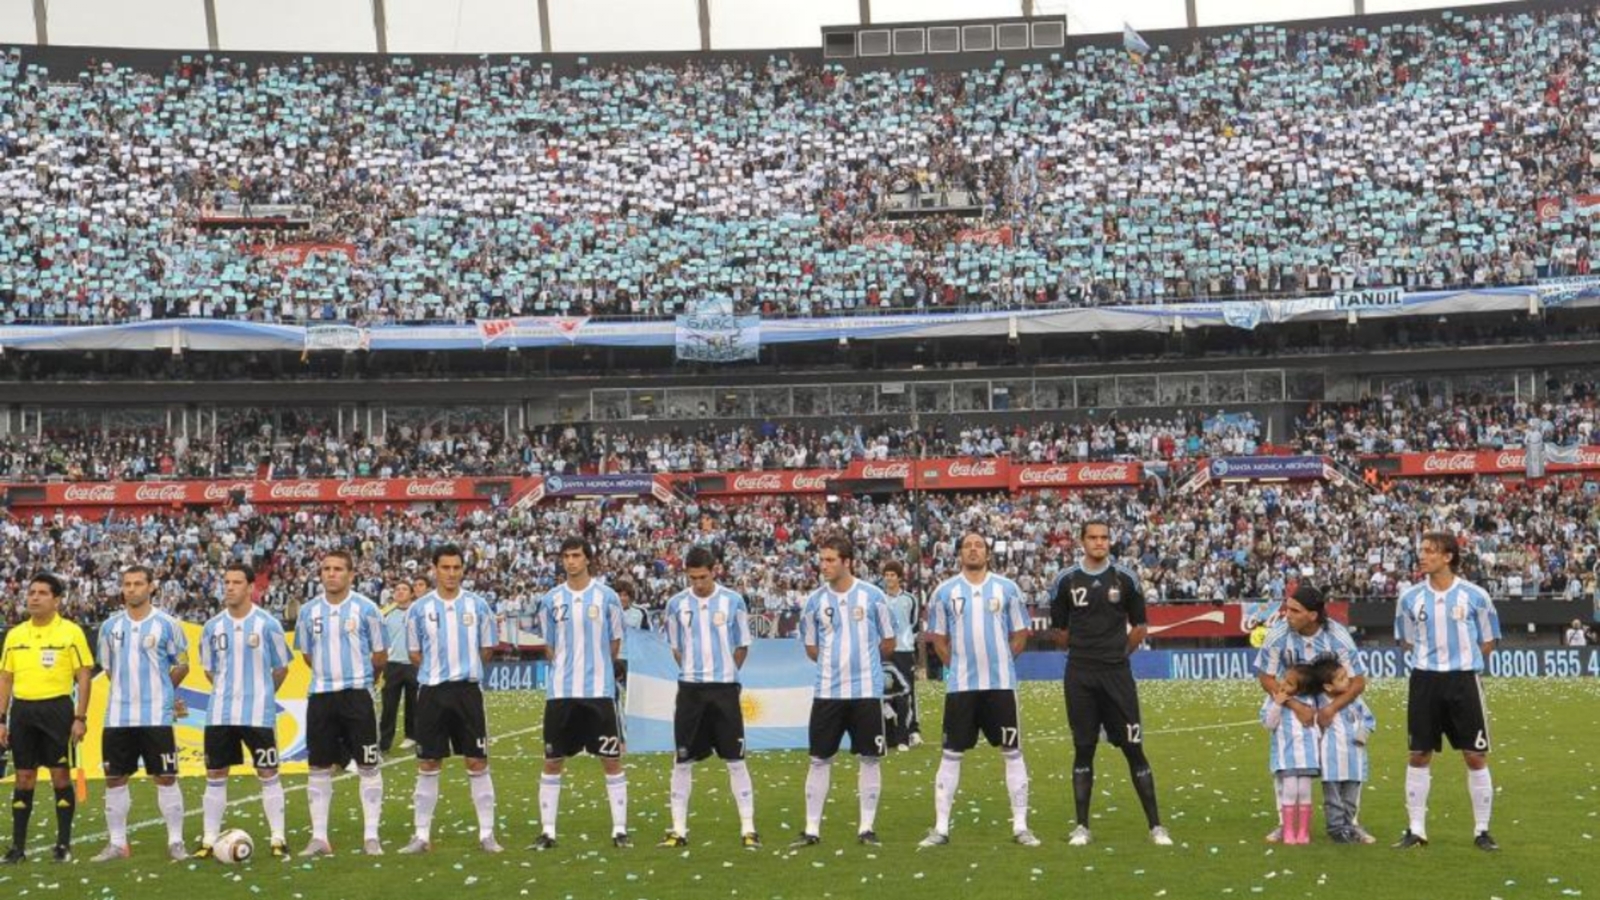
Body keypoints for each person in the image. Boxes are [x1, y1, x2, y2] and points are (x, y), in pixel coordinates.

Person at [1049, 520, 1172, 847]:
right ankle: (1082, 827)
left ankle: (1156, 826)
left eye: (1104, 538)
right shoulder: (1065, 581)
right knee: (1083, 749)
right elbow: (1059, 632)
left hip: (1117, 675)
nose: (1099, 543)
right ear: (1082, 541)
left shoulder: (1126, 578)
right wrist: (1085, 650)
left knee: (1134, 749)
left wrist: (1119, 653)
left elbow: (1140, 626)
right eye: (1093, 537)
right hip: (1080, 675)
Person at [918, 532, 1038, 848]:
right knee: (950, 754)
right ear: (959, 553)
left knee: (1012, 752)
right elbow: (938, 640)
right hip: (961, 688)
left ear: (987, 553)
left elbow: (1020, 634)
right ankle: (941, 828)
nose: (973, 550)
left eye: (979, 546)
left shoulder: (1007, 589)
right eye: (967, 546)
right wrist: (956, 666)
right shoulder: (944, 592)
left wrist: (1001, 661)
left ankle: (1021, 826)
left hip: (1000, 686)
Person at [1394, 531, 1501, 851]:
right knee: (1419, 753)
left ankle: (1482, 830)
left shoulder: (1476, 595)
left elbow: (1489, 640)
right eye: (1421, 550)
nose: (1422, 555)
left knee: (1474, 755)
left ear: (1448, 556)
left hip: (1464, 681)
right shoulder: (1409, 598)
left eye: (1430, 551)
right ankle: (1416, 830)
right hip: (1425, 680)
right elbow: (1406, 640)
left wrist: (1461, 662)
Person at [791, 535, 895, 849]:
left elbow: (888, 642)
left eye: (830, 560)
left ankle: (866, 828)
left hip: (866, 692)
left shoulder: (874, 597)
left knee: (869, 759)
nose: (824, 565)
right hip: (828, 693)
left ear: (847, 562)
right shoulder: (814, 601)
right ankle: (811, 829)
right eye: (822, 560)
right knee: (819, 759)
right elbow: (811, 646)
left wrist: (862, 664)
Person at [399, 545, 501, 854]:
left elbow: (487, 649)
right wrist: (437, 670)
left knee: (476, 760)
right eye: (446, 567)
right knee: (429, 762)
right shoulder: (419, 609)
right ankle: (421, 835)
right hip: (431, 692)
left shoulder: (478, 606)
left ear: (463, 570)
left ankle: (486, 834)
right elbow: (415, 653)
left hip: (467, 692)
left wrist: (463, 669)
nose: (452, 573)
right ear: (434, 569)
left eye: (457, 567)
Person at [657, 546, 759, 849]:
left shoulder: (733, 601)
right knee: (682, 759)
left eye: (702, 577)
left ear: (714, 571)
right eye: (692, 578)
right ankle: (678, 830)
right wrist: (694, 673)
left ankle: (748, 829)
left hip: (724, 690)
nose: (698, 584)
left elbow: (742, 645)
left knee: (735, 759)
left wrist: (725, 673)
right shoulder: (676, 604)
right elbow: (676, 647)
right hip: (690, 691)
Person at [532, 537, 629, 850]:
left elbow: (614, 643)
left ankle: (619, 830)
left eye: (576, 555)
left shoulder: (607, 597)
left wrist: (595, 666)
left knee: (611, 761)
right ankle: (548, 831)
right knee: (552, 760)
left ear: (588, 559)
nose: (571, 561)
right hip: (560, 693)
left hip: (599, 693)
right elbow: (549, 646)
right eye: (566, 556)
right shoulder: (550, 600)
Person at [1252, 584, 1368, 841]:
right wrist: (1295, 705)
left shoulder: (1337, 636)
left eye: (1294, 610)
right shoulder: (1278, 634)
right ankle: (1286, 823)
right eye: (1287, 608)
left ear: (1313, 615)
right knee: (1287, 759)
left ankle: (1350, 822)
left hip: (1333, 700)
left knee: (1348, 757)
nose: (1287, 614)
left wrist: (1331, 708)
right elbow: (1266, 677)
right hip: (1291, 699)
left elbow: (1358, 681)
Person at [90, 566, 190, 862]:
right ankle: (118, 844)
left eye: (137, 584)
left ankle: (176, 841)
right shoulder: (109, 627)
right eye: (127, 584)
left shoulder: (168, 624)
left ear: (151, 587)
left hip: (156, 717)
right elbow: (108, 669)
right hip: (119, 717)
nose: (131, 589)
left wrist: (163, 692)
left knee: (166, 776)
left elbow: (182, 664)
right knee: (115, 778)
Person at [195, 563, 293, 860]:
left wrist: (260, 693)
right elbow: (210, 670)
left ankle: (278, 837)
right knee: (215, 772)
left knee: (267, 771)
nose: (229, 587)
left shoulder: (268, 624)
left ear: (251, 587)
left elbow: (281, 668)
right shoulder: (212, 626)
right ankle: (210, 839)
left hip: (258, 714)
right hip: (220, 714)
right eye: (226, 582)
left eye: (237, 582)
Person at [295, 550, 387, 857]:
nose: (331, 574)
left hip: (357, 695)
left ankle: (371, 836)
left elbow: (379, 656)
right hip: (321, 696)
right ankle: (319, 838)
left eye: (337, 569)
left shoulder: (367, 609)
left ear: (351, 574)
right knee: (319, 766)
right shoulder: (308, 611)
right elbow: (307, 654)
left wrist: (360, 679)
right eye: (326, 569)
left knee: (368, 764)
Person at [0, 573, 93, 864]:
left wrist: (80, 716)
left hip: (58, 710)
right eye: (31, 592)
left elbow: (84, 675)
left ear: (56, 600)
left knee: (59, 775)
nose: (34, 597)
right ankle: (17, 848)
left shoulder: (71, 632)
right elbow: (5, 678)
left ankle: (63, 845)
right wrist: (1, 719)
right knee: (24, 776)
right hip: (23, 712)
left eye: (42, 593)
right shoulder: (15, 635)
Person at [1258, 661, 1325, 846]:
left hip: (1307, 757)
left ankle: (1303, 832)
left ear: (1301, 689)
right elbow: (1268, 724)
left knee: (1304, 791)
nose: (1283, 684)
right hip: (1285, 757)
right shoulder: (1274, 698)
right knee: (1289, 791)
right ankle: (1288, 830)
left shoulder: (1310, 702)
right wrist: (1278, 705)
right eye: (1283, 679)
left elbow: (1316, 726)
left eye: (1289, 683)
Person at [1320, 662, 1378, 844]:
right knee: (1333, 799)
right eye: (1342, 679)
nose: (1348, 681)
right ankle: (1336, 829)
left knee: (1351, 799)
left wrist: (1362, 734)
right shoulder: (1321, 701)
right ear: (1328, 686)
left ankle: (1349, 826)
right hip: (1331, 759)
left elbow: (1369, 719)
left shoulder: (1356, 700)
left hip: (1355, 757)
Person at [880, 561, 921, 750]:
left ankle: (912, 730)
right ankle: (891, 732)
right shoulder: (879, 599)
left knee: (908, 692)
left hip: (904, 651)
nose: (889, 578)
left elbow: (913, 624)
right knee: (886, 692)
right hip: (885, 651)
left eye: (892, 575)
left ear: (899, 577)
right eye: (886, 575)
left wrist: (904, 640)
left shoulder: (910, 599)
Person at [379, 580, 419, 753]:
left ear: (411, 593)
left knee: (414, 704)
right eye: (397, 589)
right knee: (389, 705)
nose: (400, 592)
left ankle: (412, 736)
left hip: (413, 663)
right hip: (392, 664)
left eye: (404, 589)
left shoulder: (418, 612)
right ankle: (384, 741)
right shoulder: (386, 613)